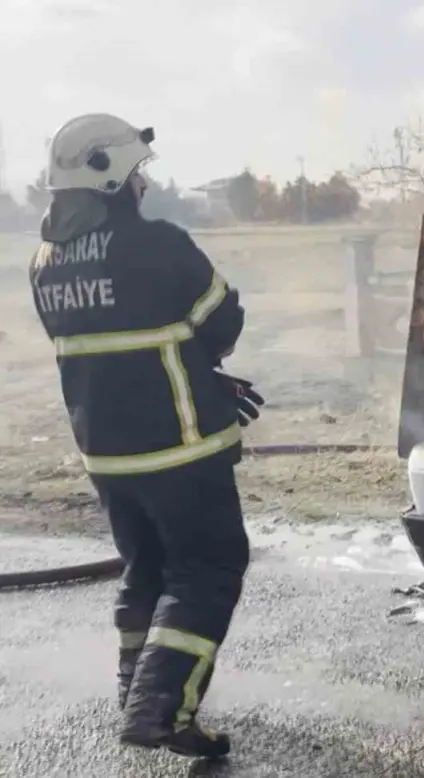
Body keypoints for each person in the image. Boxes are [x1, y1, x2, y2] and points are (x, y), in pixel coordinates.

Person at [29, 113, 263, 760]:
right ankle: (162, 708)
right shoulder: (158, 244)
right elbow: (222, 324)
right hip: (181, 448)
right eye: (136, 173)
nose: (144, 186)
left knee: (146, 570)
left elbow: (113, 352)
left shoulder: (43, 262)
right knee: (208, 569)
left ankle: (138, 692)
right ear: (106, 178)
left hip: (105, 454)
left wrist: (193, 371)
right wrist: (202, 371)